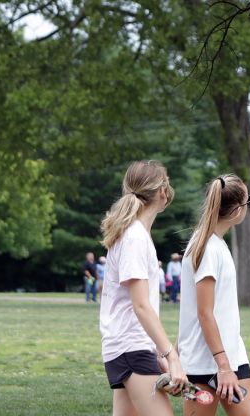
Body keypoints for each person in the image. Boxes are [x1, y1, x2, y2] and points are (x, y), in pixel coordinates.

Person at [99, 160, 187, 415]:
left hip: (127, 348)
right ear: (162, 192)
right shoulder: (135, 237)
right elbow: (140, 306)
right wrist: (171, 357)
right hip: (131, 349)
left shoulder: (134, 234)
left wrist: (156, 354)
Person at [178, 175, 250, 414]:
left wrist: (227, 364)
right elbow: (204, 313)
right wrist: (223, 367)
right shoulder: (208, 248)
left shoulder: (216, 245)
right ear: (237, 210)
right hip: (205, 363)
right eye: (249, 202)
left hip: (232, 356)